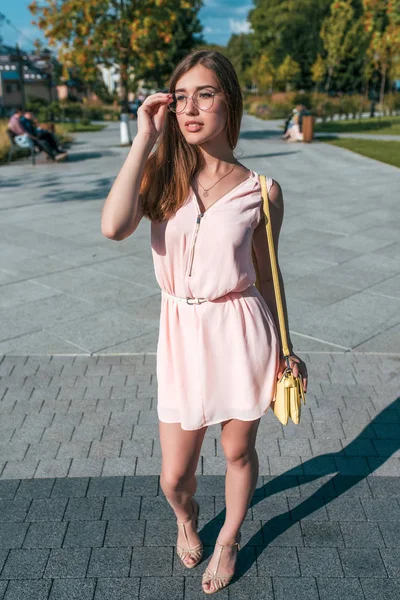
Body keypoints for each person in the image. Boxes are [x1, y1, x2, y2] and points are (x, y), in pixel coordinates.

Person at [101, 50, 308, 595]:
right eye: (181, 97)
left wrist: (287, 347)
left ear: (229, 102)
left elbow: (269, 276)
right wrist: (144, 136)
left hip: (241, 332)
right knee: (176, 477)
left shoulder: (262, 191)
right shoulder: (161, 174)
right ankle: (187, 519)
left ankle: (229, 538)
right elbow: (113, 226)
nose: (191, 108)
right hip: (181, 335)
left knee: (237, 451)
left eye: (205, 94)